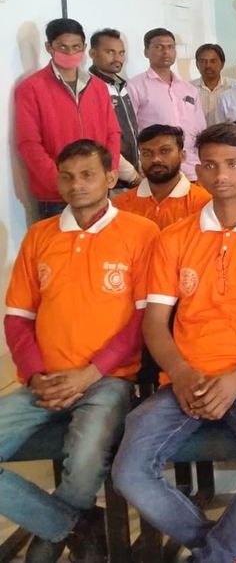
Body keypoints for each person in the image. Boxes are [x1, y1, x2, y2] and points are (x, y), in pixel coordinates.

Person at [112, 123, 236, 563]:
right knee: (129, 471)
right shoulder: (174, 239)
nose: (222, 175)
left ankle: (213, 556)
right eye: (212, 165)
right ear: (198, 171)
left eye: (233, 164)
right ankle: (227, 553)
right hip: (186, 379)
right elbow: (155, 323)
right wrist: (181, 373)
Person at [0, 140, 157, 563]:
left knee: (86, 458)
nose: (76, 185)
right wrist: (36, 374)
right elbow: (17, 318)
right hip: (44, 382)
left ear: (110, 177)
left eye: (88, 175)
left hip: (108, 380)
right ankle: (69, 525)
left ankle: (54, 534)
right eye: (66, 176)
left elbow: (142, 320)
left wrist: (90, 373)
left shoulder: (140, 233)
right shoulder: (39, 236)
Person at [15, 18, 120, 219]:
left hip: (97, 191)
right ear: (49, 47)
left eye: (76, 47)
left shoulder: (97, 86)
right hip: (56, 197)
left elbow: (112, 133)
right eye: (62, 47)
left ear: (84, 48)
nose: (70, 53)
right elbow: (29, 144)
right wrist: (63, 182)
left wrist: (110, 172)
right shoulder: (31, 89)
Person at [126, 28, 206, 181]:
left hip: (192, 169)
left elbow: (200, 130)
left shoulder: (189, 89)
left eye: (170, 47)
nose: (166, 52)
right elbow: (130, 132)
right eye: (159, 47)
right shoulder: (135, 86)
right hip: (157, 169)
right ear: (146, 52)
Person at [113, 125, 212, 229]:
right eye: (147, 153)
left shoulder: (204, 204)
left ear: (182, 156)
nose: (156, 159)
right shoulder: (120, 205)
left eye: (164, 151)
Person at [88, 28, 141, 188]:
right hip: (111, 179)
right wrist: (132, 176)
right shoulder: (90, 88)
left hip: (132, 177)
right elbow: (101, 141)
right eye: (110, 52)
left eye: (121, 53)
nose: (117, 58)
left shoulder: (122, 86)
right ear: (92, 53)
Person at [192, 44, 236, 120]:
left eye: (213, 61)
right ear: (197, 64)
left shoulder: (235, 88)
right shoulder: (188, 89)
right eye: (203, 61)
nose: (208, 65)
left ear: (222, 64)